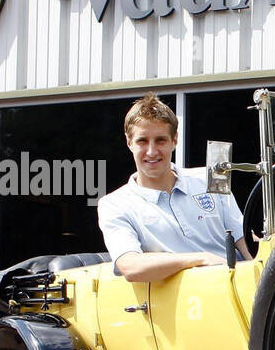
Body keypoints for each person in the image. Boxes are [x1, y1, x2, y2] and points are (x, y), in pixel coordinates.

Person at [97, 92, 252, 281]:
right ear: (129, 142)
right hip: (176, 306)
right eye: (142, 141)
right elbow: (130, 266)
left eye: (160, 140)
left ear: (174, 140)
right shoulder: (114, 204)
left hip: (236, 290)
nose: (152, 151)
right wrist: (201, 260)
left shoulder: (210, 178)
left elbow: (245, 241)